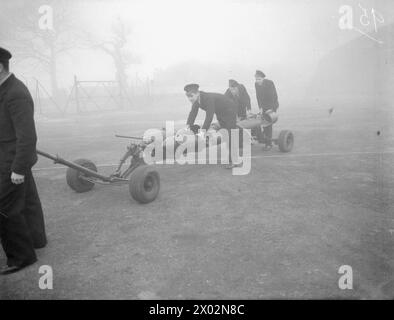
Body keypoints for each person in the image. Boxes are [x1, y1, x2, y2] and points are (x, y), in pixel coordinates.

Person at [0, 47, 47, 275]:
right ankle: (37, 239)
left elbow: (27, 136)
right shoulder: (5, 89)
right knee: (28, 200)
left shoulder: (15, 93)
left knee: (4, 207)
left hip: (12, 160)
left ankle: (22, 256)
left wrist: (18, 168)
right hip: (11, 157)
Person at [184, 83, 240, 169]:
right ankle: (239, 133)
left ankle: (235, 161)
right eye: (188, 96)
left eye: (191, 96)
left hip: (230, 110)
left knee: (230, 134)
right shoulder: (196, 101)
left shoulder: (207, 98)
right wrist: (187, 126)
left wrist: (202, 132)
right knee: (226, 133)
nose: (189, 99)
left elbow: (209, 117)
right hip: (221, 113)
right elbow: (193, 113)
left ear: (197, 93)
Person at [254, 70, 279, 150]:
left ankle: (268, 144)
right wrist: (260, 107)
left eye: (259, 79)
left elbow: (274, 96)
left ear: (263, 78)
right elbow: (258, 97)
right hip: (264, 106)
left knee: (268, 124)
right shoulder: (256, 85)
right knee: (263, 122)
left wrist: (271, 109)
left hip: (272, 104)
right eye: (256, 79)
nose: (257, 81)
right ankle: (265, 138)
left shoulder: (269, 83)